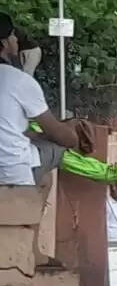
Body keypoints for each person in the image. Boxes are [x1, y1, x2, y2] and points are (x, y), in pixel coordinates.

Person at [0, 13, 89, 186]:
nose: (16, 40)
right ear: (4, 43)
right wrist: (72, 132)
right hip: (12, 172)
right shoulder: (19, 80)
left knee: (43, 170)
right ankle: (34, 204)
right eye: (12, 35)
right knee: (61, 146)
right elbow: (63, 137)